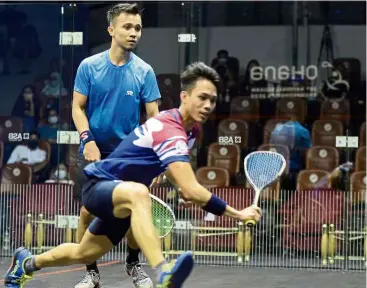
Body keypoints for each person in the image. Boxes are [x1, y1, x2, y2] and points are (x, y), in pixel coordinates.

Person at [4, 62, 262, 288]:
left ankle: (25, 263)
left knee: (84, 253)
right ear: (184, 96)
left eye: (213, 101)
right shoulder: (167, 127)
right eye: (202, 97)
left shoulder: (191, 133)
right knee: (140, 192)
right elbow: (192, 190)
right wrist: (238, 214)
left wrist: (178, 184)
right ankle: (163, 271)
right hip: (99, 185)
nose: (207, 105)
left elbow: (182, 182)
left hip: (122, 198)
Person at [71, 3, 161, 288]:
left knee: (138, 209)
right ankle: (91, 272)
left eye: (138, 28)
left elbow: (154, 120)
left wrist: (156, 158)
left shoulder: (145, 71)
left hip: (129, 155)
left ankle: (133, 264)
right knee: (87, 212)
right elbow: (77, 107)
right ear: (111, 30)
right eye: (127, 27)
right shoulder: (89, 66)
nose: (134, 33)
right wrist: (87, 140)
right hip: (94, 151)